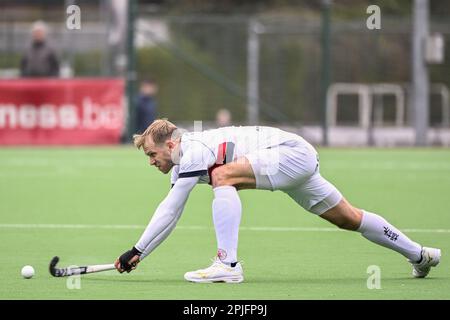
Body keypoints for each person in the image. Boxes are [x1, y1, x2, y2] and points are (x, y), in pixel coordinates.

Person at [114, 119, 441, 283]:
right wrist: (138, 252)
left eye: (151, 153)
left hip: (289, 154)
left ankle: (227, 265)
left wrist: (138, 248)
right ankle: (420, 255)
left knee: (222, 176)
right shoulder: (182, 166)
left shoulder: (194, 149)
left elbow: (172, 208)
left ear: (170, 145)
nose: (151, 161)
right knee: (349, 218)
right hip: (292, 160)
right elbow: (169, 214)